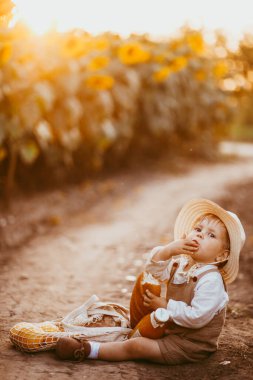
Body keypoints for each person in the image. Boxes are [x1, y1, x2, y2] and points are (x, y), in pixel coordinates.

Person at [55, 198, 246, 365]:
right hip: (171, 329)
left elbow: (197, 317)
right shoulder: (181, 264)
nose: (200, 234)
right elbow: (153, 270)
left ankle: (87, 349)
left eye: (211, 235)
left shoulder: (211, 280)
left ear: (222, 255)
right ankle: (135, 328)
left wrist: (166, 305)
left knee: (137, 346)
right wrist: (169, 250)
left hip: (188, 344)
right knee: (145, 279)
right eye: (197, 229)